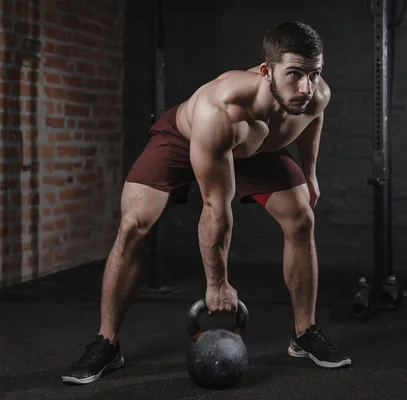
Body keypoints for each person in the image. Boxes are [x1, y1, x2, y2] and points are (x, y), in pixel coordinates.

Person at [61, 21, 352, 385]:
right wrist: (217, 283)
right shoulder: (222, 107)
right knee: (134, 223)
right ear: (266, 71)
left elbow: (312, 120)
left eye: (314, 74)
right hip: (190, 139)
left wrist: (310, 173)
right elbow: (215, 206)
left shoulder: (316, 93)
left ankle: (304, 334)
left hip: (257, 149)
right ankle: (107, 343)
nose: (306, 87)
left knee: (301, 218)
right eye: (294, 74)